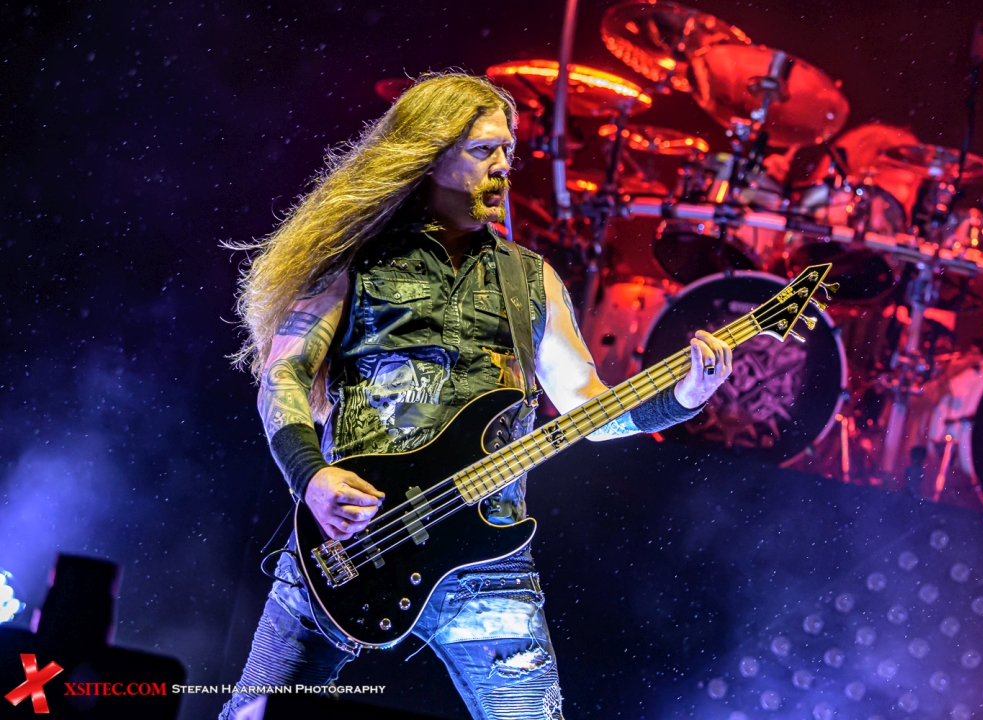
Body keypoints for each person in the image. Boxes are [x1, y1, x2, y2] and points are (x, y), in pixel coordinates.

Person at [221, 72, 733, 720]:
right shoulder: (354, 260)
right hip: (349, 540)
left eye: (507, 151)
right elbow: (284, 376)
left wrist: (682, 397)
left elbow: (588, 409)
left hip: (487, 562)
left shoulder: (532, 280)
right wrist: (311, 477)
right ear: (429, 154)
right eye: (484, 149)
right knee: (253, 715)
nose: (503, 165)